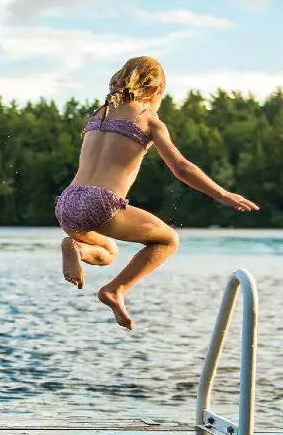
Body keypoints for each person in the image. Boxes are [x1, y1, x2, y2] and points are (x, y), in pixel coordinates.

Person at [55, 56, 259, 330]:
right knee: (168, 241)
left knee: (109, 251)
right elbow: (182, 168)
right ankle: (115, 290)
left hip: (68, 200)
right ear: (154, 91)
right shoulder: (148, 119)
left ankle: (78, 249)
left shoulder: (98, 114)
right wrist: (221, 194)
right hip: (100, 201)